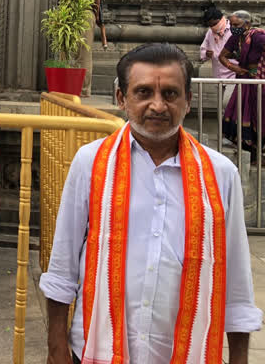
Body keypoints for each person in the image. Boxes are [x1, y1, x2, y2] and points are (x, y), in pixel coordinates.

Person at [41, 43, 262, 364]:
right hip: (95, 349)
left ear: (188, 101)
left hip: (186, 353)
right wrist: (56, 348)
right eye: (143, 92)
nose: (157, 105)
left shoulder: (220, 175)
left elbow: (238, 282)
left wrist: (239, 358)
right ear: (122, 99)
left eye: (170, 94)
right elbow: (62, 266)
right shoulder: (91, 163)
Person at [220, 10, 265, 155]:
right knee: (238, 111)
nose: (233, 27)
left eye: (236, 24)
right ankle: (248, 150)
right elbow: (222, 56)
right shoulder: (235, 38)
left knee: (259, 114)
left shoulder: (258, 37)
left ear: (247, 24)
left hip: (258, 81)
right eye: (231, 24)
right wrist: (233, 68)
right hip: (244, 80)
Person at [67, 0, 100, 97]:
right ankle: (75, 87)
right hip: (76, 14)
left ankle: (84, 90)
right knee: (75, 52)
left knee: (83, 53)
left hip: (84, 13)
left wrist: (95, 13)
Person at [200, 6, 236, 106]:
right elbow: (203, 50)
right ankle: (224, 122)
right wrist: (206, 53)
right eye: (210, 25)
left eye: (215, 23)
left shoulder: (233, 30)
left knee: (227, 103)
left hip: (233, 74)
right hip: (219, 75)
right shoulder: (210, 33)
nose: (213, 27)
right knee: (221, 107)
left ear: (221, 19)